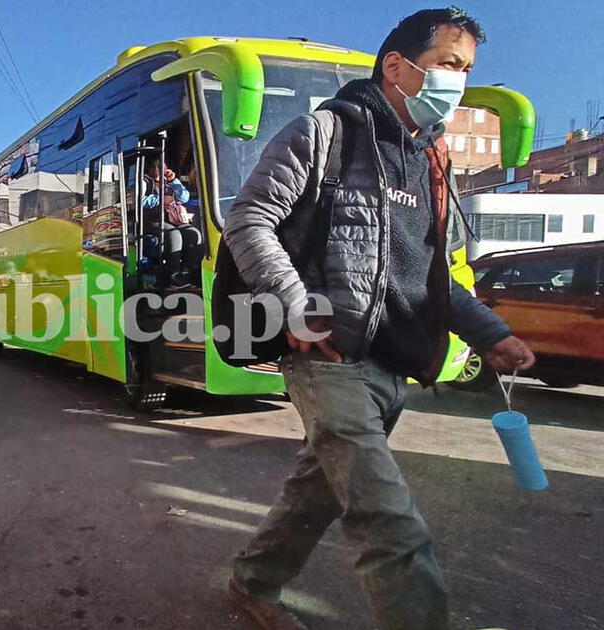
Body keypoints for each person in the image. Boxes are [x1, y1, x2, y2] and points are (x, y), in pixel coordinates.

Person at [221, 9, 536, 630]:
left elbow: (432, 276)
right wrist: (298, 304)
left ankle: (251, 582)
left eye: (466, 70)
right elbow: (248, 220)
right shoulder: (324, 133)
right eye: (449, 63)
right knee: (387, 519)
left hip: (395, 363)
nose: (458, 81)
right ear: (397, 65)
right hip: (328, 358)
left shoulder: (432, 162)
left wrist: (492, 335)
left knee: (316, 493)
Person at [141, 162, 203, 289]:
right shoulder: (144, 181)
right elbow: (139, 201)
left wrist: (174, 181)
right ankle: (173, 274)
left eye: (164, 166)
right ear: (151, 169)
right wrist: (160, 200)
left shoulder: (168, 182)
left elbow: (184, 198)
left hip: (173, 219)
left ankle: (188, 271)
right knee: (173, 234)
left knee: (192, 233)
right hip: (153, 220)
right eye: (159, 167)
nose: (163, 169)